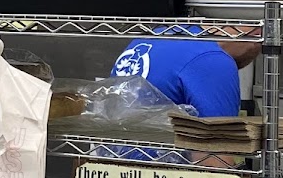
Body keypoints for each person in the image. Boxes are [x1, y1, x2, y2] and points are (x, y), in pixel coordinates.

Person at [111, 27, 261, 119]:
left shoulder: (151, 36)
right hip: (164, 163)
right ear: (256, 34)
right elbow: (215, 154)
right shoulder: (212, 59)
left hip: (115, 160)